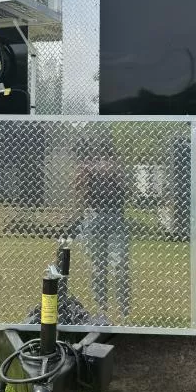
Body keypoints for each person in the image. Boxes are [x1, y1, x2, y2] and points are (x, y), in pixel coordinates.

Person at [75, 134, 131, 322]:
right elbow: (127, 189)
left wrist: (89, 171)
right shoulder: (117, 167)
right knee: (119, 265)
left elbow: (75, 186)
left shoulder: (88, 166)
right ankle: (122, 311)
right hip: (113, 217)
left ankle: (103, 309)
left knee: (100, 267)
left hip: (98, 217)